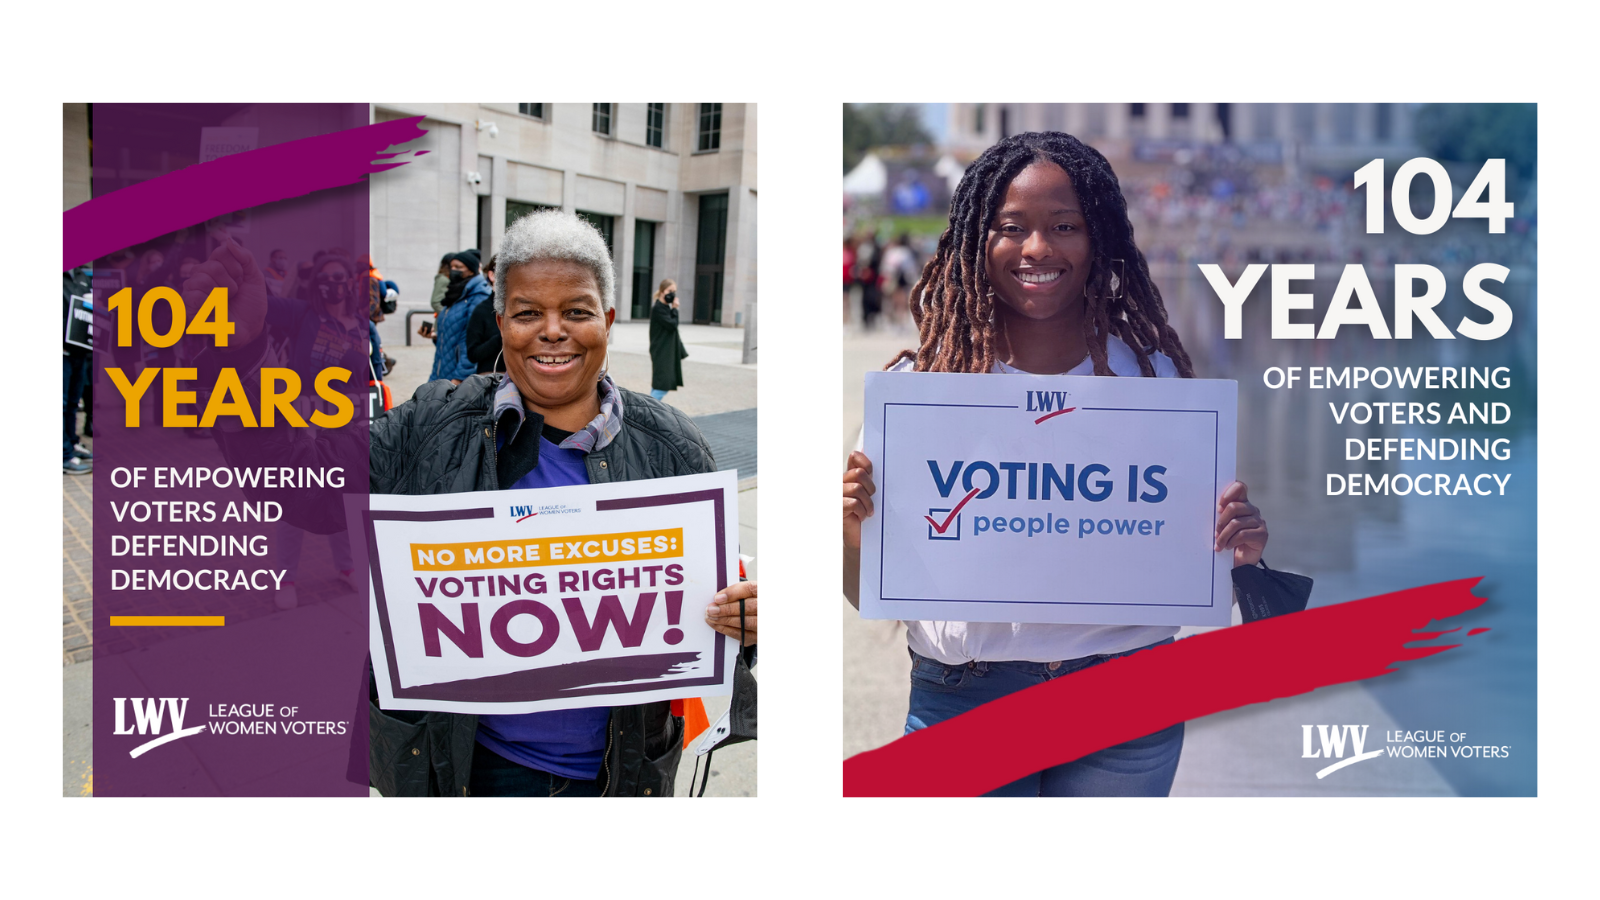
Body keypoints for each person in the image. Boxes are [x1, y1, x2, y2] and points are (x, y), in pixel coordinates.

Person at [841, 132, 1269, 797]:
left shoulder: (1156, 382)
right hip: (967, 695)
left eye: (1064, 226)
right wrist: (850, 526)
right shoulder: (923, 386)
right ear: (975, 240)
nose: (1038, 249)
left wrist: (1233, 542)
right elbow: (867, 590)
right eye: (1011, 228)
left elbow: (1191, 551)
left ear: (1098, 237)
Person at [368, 209, 756, 796]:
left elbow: (720, 613)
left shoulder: (673, 446)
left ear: (608, 318)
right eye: (527, 313)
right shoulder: (434, 420)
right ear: (501, 322)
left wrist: (748, 621)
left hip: (618, 775)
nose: (552, 331)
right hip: (472, 771)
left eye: (575, 311)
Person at [427, 251, 491, 383]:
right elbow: (453, 333)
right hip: (441, 371)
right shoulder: (454, 294)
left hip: (458, 377)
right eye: (452, 267)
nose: (453, 270)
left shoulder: (478, 296)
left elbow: (471, 340)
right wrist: (436, 336)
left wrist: (459, 378)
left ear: (472, 270)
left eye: (458, 267)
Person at [63, 268, 93, 475]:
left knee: (73, 402)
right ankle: (63, 455)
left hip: (80, 349)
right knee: (61, 403)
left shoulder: (83, 276)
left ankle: (72, 443)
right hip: (60, 351)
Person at [465, 254, 507, 374]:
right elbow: (473, 354)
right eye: (503, 272)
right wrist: (501, 338)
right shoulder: (481, 310)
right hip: (491, 380)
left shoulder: (521, 309)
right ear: (491, 275)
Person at [648, 278, 688, 401]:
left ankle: (648, 409)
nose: (672, 294)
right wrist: (675, 309)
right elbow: (672, 325)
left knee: (659, 385)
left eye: (674, 291)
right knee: (662, 385)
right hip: (661, 351)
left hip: (666, 351)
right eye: (669, 290)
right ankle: (648, 412)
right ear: (662, 291)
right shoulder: (658, 308)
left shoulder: (665, 308)